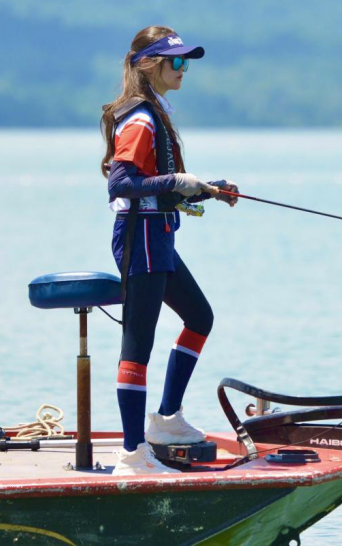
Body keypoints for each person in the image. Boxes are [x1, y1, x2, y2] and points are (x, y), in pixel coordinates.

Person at [100, 25, 237, 475]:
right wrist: (179, 181)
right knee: (138, 344)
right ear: (149, 64)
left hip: (156, 234)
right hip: (140, 236)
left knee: (200, 317)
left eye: (186, 62)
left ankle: (166, 420)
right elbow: (121, 183)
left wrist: (207, 189)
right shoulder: (141, 119)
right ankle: (132, 454)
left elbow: (156, 184)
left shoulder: (154, 112)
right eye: (176, 61)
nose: (183, 69)